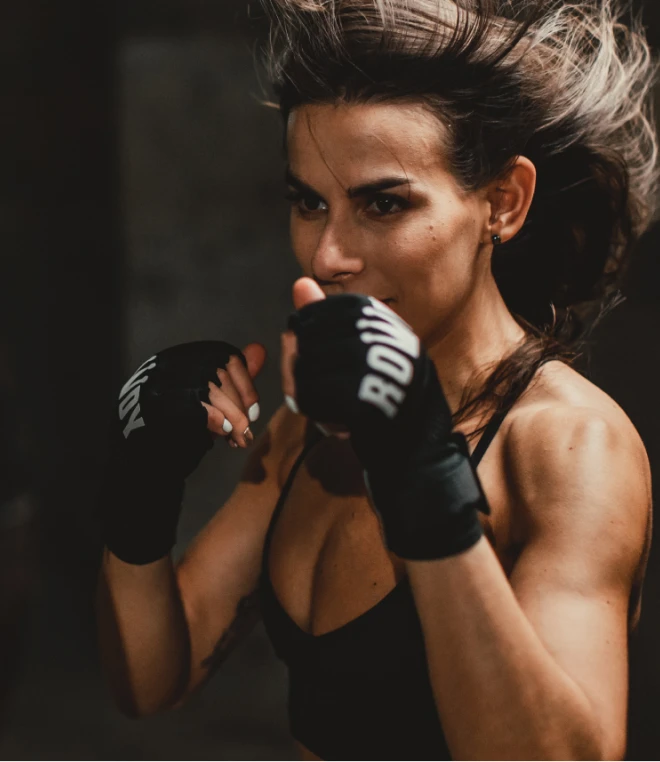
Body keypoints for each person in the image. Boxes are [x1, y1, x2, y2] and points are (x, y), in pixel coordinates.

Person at [96, 0, 657, 758]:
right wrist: (141, 485)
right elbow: (151, 682)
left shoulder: (568, 449)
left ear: (504, 202)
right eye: (308, 202)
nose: (327, 256)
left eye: (383, 203)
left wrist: (423, 475)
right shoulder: (307, 430)